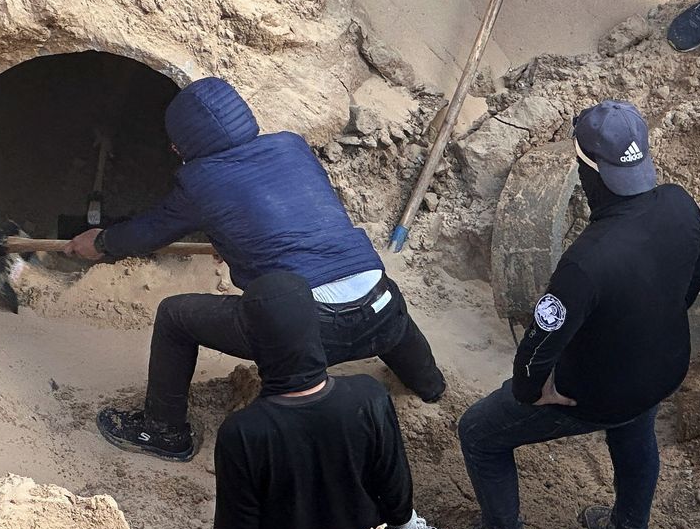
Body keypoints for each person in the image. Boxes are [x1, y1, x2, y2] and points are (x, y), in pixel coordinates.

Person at [62, 76, 445, 462]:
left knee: (175, 317)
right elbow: (280, 214)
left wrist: (100, 242)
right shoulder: (292, 147)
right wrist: (230, 240)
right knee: (382, 305)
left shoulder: (199, 181)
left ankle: (164, 430)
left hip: (310, 335)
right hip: (382, 308)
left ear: (183, 145)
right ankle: (429, 384)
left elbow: (147, 234)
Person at [457, 101, 700, 529]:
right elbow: (695, 280)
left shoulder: (584, 263)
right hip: (662, 366)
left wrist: (532, 390)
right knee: (635, 433)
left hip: (594, 391)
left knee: (477, 432)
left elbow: (538, 345)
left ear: (586, 167)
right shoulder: (680, 203)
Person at [209, 271, 441, 529]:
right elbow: (397, 498)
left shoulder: (242, 433)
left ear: (253, 342)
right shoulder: (369, 396)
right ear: (314, 327)